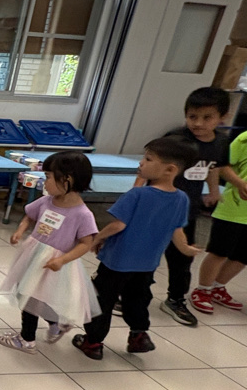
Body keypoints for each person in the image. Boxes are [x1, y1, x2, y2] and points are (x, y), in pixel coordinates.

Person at [72, 137, 201, 360]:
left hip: (117, 262)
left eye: (148, 159)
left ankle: (93, 342)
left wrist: (97, 238)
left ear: (170, 169)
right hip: (147, 264)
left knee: (102, 300)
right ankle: (138, 335)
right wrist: (186, 249)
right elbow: (177, 230)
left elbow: (118, 225)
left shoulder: (137, 194)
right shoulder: (181, 198)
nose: (141, 163)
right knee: (138, 299)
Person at [136, 88, 230, 325]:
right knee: (143, 253)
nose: (198, 123)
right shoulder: (176, 138)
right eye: (192, 116)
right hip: (158, 207)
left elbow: (214, 167)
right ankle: (129, 294)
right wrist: (137, 192)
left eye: (207, 118)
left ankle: (175, 299)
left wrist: (214, 191)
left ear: (222, 117)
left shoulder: (220, 142)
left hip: (186, 210)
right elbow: (149, 163)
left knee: (182, 257)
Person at [0, 151, 99, 353]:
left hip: (55, 262)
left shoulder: (83, 214)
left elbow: (86, 243)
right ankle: (56, 324)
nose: (45, 182)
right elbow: (29, 215)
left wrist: (63, 260)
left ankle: (27, 339)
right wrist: (19, 231)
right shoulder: (47, 201)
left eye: (48, 177)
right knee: (31, 293)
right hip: (34, 255)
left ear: (67, 179)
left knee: (32, 296)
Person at [192, 129, 247, 313]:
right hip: (234, 209)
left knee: (242, 256)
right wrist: (240, 183)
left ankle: (218, 287)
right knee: (219, 252)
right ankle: (202, 290)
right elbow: (222, 166)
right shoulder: (244, 139)